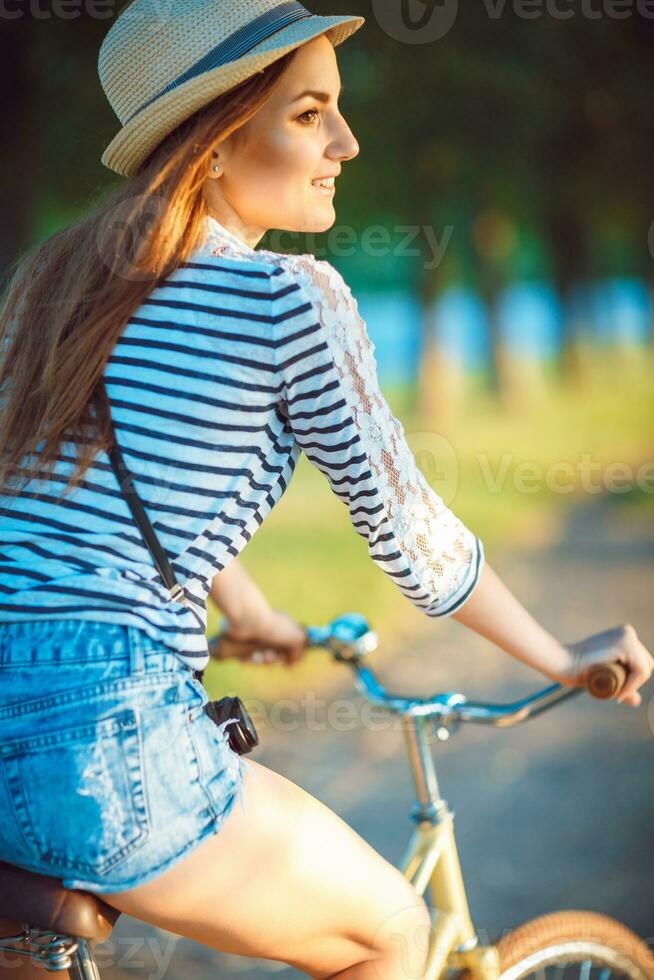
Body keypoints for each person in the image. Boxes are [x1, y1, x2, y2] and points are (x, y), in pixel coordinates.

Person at [0, 1, 651, 977]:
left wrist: (245, 602)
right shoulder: (289, 299)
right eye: (310, 114)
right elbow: (413, 538)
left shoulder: (49, 279)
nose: (347, 141)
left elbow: (67, 488)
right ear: (215, 140)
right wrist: (562, 654)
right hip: (102, 728)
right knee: (391, 929)